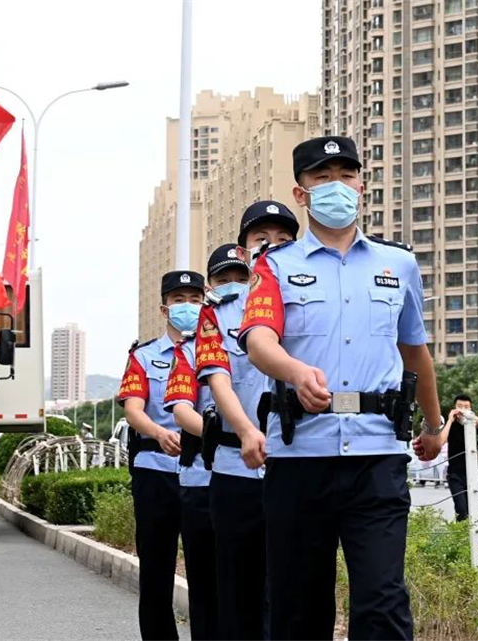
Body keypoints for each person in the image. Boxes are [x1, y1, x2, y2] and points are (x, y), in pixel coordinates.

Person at [239, 135, 445, 640]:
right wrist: (294, 372)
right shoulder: (275, 266)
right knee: (298, 606)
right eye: (322, 178)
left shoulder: (398, 265)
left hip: (377, 457)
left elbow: (415, 351)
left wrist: (434, 425)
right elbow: (258, 339)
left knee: (382, 600)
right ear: (301, 193)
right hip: (299, 457)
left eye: (346, 176)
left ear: (361, 186)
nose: (337, 186)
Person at [196, 211, 297, 640]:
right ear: (244, 249)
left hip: (298, 466)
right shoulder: (217, 315)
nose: (271, 245)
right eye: (261, 237)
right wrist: (246, 431)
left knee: (292, 589)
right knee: (238, 591)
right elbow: (217, 378)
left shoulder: (312, 301)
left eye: (282, 238)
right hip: (237, 468)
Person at [119, 270, 205, 641]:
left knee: (206, 570)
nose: (188, 306)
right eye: (179, 300)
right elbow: (133, 409)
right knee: (156, 568)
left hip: (204, 473)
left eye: (195, 299)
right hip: (155, 470)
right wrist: (158, 432)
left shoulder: (215, 353)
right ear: (164, 308)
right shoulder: (143, 356)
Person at [164, 333, 219, 640]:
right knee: (205, 585)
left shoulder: (271, 338)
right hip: (200, 478)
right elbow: (182, 411)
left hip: (259, 478)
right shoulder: (190, 350)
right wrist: (235, 437)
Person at [438, 394, 478, 521]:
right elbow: (441, 440)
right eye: (459, 406)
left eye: (466, 406)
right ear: (454, 407)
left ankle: (471, 531)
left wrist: (468, 415)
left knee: (472, 508)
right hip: (455, 474)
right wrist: (450, 420)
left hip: (472, 472)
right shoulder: (451, 424)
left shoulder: (472, 423)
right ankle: (462, 531)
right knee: (461, 509)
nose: (462, 409)